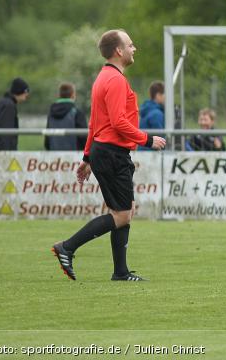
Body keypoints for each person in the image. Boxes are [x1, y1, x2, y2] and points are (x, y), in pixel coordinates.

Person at [51, 29, 166, 282]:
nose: (134, 49)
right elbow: (117, 122)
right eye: (130, 45)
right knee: (122, 214)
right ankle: (66, 247)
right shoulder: (115, 80)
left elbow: (95, 124)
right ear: (118, 50)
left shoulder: (103, 77)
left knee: (125, 211)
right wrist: (147, 139)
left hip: (106, 152)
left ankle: (120, 272)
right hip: (112, 153)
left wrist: (87, 157)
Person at [0, 77, 29, 151]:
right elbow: (6, 133)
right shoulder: (9, 106)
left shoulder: (0, 102)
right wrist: (7, 153)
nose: (27, 95)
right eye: (26, 92)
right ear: (20, 91)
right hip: (0, 152)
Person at [44, 82, 88, 151]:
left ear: (59, 95)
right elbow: (84, 139)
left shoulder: (51, 113)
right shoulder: (77, 113)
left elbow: (47, 141)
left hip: (54, 155)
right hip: (74, 155)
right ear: (73, 95)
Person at [138, 81, 165, 150]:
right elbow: (161, 139)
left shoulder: (146, 109)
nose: (166, 97)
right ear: (158, 95)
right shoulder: (156, 114)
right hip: (150, 152)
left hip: (142, 150)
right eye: (164, 94)